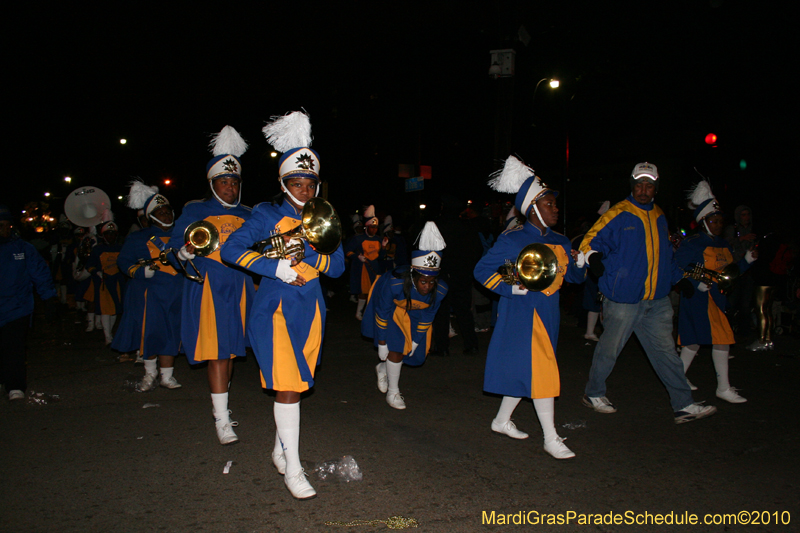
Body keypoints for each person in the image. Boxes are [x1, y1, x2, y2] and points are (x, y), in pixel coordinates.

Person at [222, 110, 345, 500]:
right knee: (289, 386)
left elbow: (338, 267)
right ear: (283, 183)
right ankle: (293, 468)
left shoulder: (324, 216)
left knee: (295, 386)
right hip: (274, 309)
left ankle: (280, 450)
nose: (305, 190)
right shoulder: (266, 213)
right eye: (297, 183)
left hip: (311, 311)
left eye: (310, 184)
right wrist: (275, 267)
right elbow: (230, 250)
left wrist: (308, 254)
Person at [580, 162, 717, 424]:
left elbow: (665, 255)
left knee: (667, 353)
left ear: (656, 188)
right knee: (609, 350)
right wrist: (593, 257)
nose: (643, 190)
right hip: (623, 299)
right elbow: (590, 241)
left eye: (649, 185)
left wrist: (680, 279)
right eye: (639, 185)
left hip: (657, 300)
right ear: (632, 186)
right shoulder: (619, 213)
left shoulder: (659, 215)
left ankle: (684, 405)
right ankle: (593, 393)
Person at [474, 156, 585, 459]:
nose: (556, 209)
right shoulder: (513, 239)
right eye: (550, 204)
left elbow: (572, 279)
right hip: (522, 313)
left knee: (527, 369)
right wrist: (508, 288)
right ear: (533, 208)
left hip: (549, 314)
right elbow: (481, 270)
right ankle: (550, 437)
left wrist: (579, 264)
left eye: (555, 204)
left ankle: (501, 420)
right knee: (543, 371)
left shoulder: (561, 240)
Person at [172, 125, 254, 445]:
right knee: (218, 353)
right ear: (212, 183)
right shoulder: (195, 210)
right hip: (210, 288)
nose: (230, 187)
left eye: (234, 182)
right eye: (224, 181)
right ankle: (221, 419)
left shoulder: (249, 213)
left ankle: (222, 406)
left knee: (230, 353)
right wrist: (181, 253)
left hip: (240, 288)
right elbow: (175, 244)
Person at [676, 181, 755, 403]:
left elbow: (729, 274)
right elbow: (676, 268)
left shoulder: (723, 244)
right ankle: (723, 388)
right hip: (699, 299)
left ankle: (677, 378)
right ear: (703, 221)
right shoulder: (692, 243)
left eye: (720, 220)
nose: (718, 224)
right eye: (714, 220)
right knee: (722, 338)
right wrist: (695, 283)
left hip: (717, 298)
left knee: (693, 341)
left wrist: (746, 261)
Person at [362, 221, 448, 410]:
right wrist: (382, 343)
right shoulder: (394, 283)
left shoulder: (440, 289)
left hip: (415, 311)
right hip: (393, 308)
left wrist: (416, 340)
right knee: (397, 347)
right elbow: (382, 312)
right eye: (423, 281)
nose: (428, 287)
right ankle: (393, 392)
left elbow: (428, 316)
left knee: (416, 356)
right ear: (414, 275)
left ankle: (383, 367)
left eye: (432, 281)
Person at [116, 180, 183, 390]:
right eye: (161, 212)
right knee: (150, 334)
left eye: (168, 211)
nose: (166, 215)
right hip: (150, 294)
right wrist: (140, 272)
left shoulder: (182, 235)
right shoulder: (138, 238)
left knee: (172, 333)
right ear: (151, 216)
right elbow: (123, 262)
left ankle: (167, 376)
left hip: (176, 291)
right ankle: (149, 374)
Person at [1, 205, 57, 400]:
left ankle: (15, 386)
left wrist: (49, 298)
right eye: (0, 225)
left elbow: (40, 273)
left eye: (6, 225)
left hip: (17, 307)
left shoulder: (23, 248)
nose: (4, 229)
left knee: (14, 347)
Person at [430, 195, 481, 355]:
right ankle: (471, 345)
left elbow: (428, 249)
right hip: (462, 274)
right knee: (464, 311)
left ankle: (442, 347)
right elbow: (477, 250)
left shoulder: (436, 225)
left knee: (441, 311)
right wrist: (468, 268)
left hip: (442, 273)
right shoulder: (467, 226)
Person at [86, 221, 124, 346]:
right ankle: (108, 336)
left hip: (117, 283)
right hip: (103, 284)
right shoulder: (98, 249)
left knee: (115, 309)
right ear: (103, 235)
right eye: (108, 234)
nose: (111, 236)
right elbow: (89, 265)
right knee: (105, 309)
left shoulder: (121, 248)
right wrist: (97, 272)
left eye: (113, 234)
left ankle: (110, 333)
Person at [345, 205, 384, 320]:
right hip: (363, 268)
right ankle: (359, 313)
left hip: (375, 268)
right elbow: (347, 251)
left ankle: (369, 313)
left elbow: (381, 257)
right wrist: (357, 256)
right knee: (363, 291)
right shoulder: (358, 238)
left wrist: (384, 247)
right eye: (372, 227)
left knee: (374, 291)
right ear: (367, 227)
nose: (374, 229)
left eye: (376, 227)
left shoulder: (378, 239)